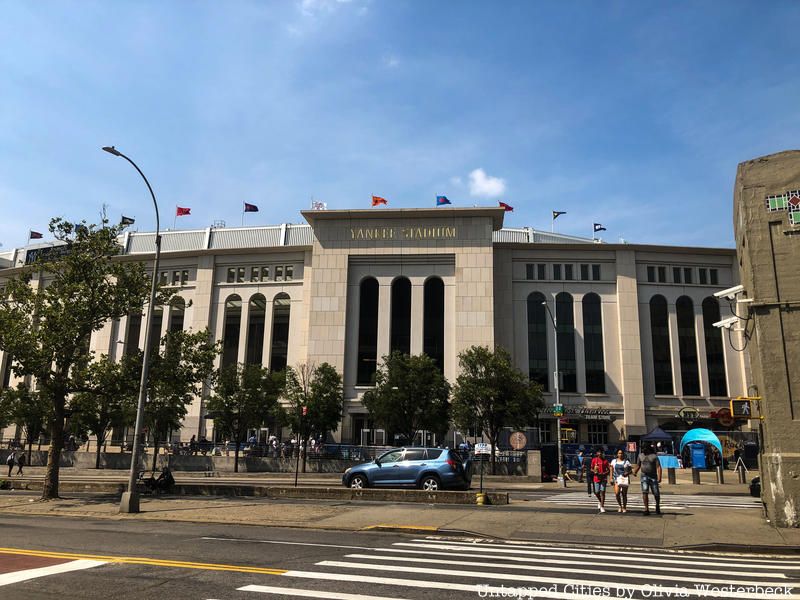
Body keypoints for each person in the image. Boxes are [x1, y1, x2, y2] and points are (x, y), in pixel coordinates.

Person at [634, 442, 662, 515]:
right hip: (644, 476)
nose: (643, 450)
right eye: (642, 448)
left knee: (656, 493)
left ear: (648, 448)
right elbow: (638, 465)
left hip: (653, 476)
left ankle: (657, 505)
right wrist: (635, 471)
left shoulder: (654, 456)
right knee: (645, 492)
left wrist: (659, 477)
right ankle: (646, 509)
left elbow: (658, 467)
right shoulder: (640, 456)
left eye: (644, 448)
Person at [590, 448, 610, 513]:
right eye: (598, 452)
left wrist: (604, 473)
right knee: (596, 492)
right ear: (596, 453)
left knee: (603, 492)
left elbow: (608, 470)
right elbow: (591, 469)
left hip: (603, 478)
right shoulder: (594, 460)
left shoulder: (605, 461)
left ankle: (602, 506)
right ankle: (600, 501)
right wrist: (594, 471)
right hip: (596, 478)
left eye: (601, 452)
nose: (600, 453)